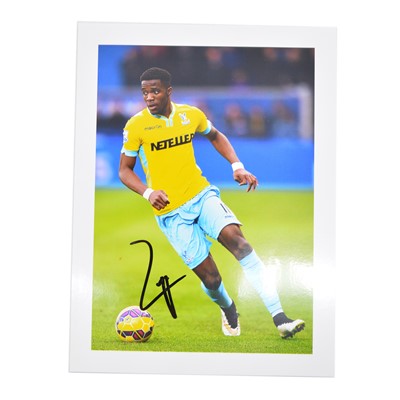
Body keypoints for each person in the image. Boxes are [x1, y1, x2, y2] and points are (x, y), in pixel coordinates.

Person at [119, 67, 305, 339]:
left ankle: (280, 319)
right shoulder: (135, 126)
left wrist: (237, 166)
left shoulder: (190, 115)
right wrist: (148, 193)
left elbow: (215, 135)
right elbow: (124, 170)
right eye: (145, 92)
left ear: (168, 91)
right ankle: (228, 307)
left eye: (155, 91)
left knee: (240, 244)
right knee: (212, 279)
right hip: (170, 212)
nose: (149, 97)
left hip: (201, 194)